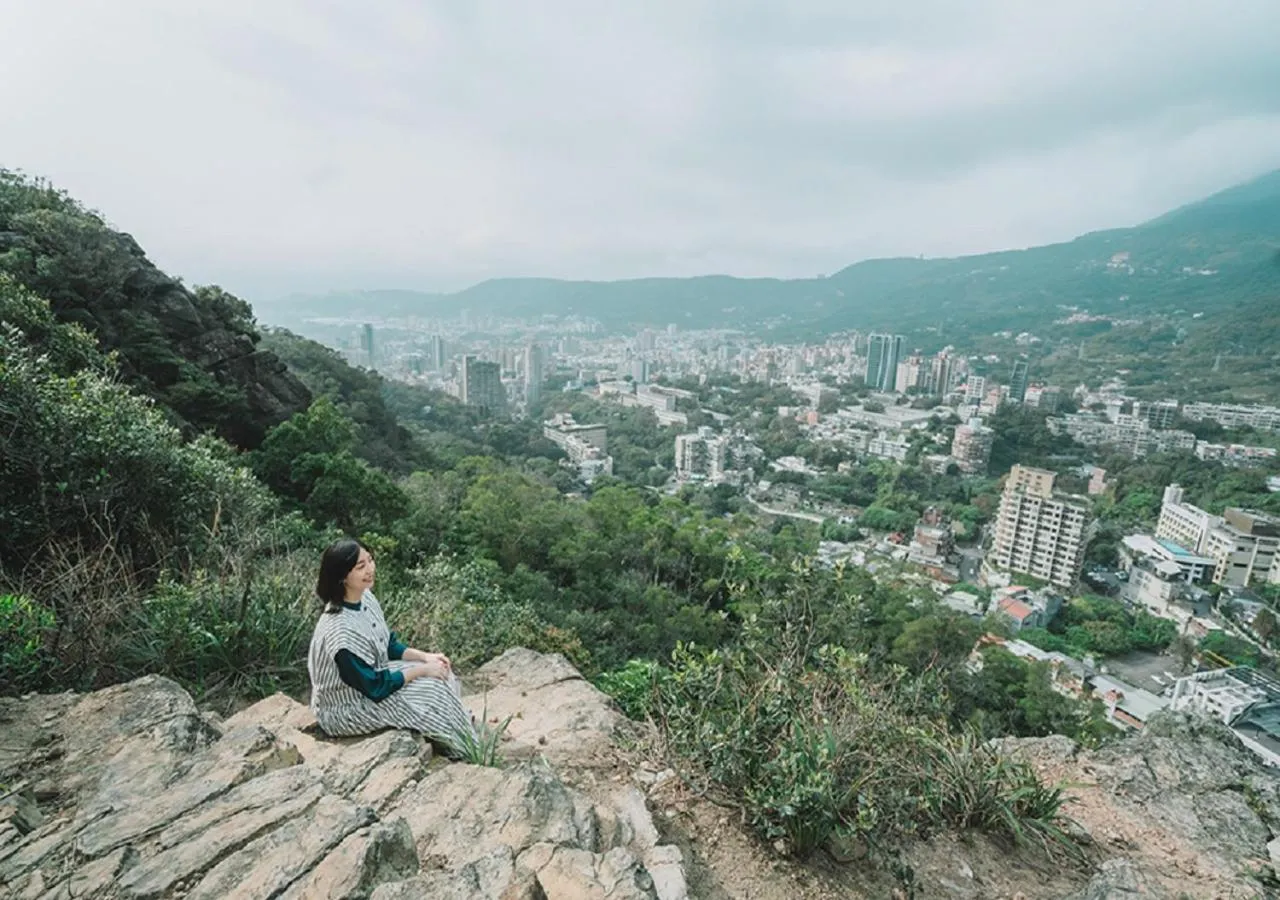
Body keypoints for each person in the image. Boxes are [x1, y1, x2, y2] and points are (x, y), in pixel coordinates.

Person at [307, 538, 475, 756]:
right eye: (361, 566)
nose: (370, 569)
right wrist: (422, 670)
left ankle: (458, 724)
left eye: (370, 560)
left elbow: (387, 644)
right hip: (344, 709)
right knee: (431, 690)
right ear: (342, 577)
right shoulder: (340, 632)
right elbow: (375, 688)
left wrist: (426, 657)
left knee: (441, 668)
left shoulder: (364, 597)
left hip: (369, 685)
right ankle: (465, 748)